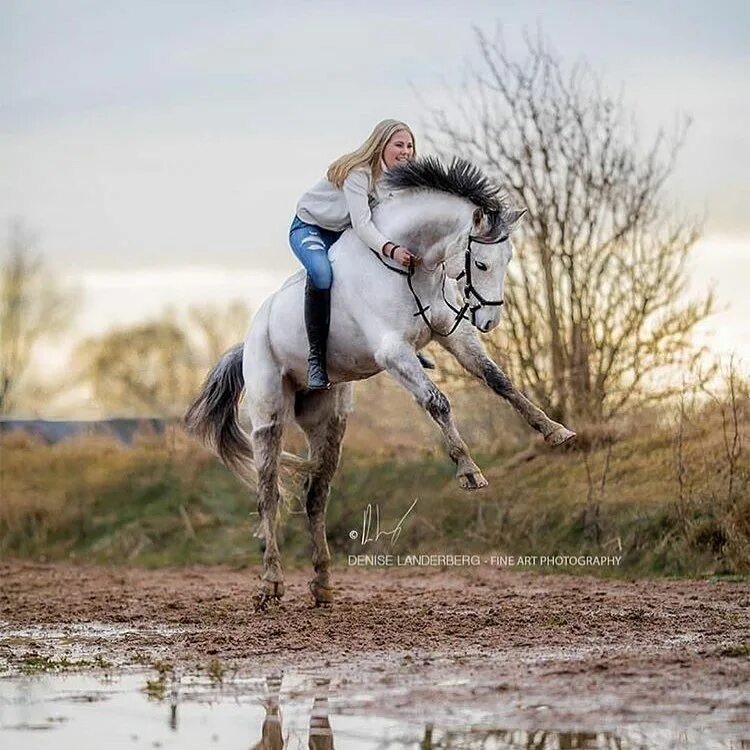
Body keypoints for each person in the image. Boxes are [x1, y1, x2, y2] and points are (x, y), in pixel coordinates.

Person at [290, 119, 430, 391]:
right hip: (312, 228)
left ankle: (404, 341)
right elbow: (363, 224)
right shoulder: (360, 173)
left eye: (410, 146)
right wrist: (390, 249)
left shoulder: (398, 181)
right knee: (321, 274)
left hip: (345, 232)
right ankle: (316, 359)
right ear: (381, 146)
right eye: (398, 145)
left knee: (381, 273)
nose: (406, 151)